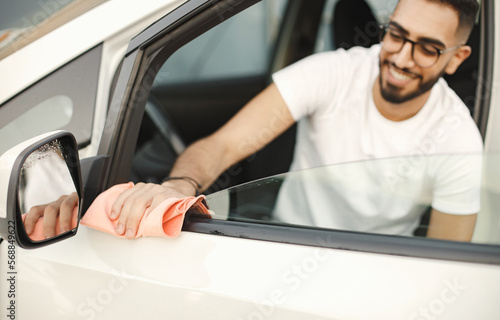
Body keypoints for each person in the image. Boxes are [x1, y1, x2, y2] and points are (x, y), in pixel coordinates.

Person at [68, 0, 483, 241]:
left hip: (375, 267)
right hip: (286, 236)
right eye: (397, 35)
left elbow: (449, 258)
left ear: (456, 59)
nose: (402, 58)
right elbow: (223, 146)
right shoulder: (336, 72)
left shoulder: (459, 140)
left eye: (428, 48)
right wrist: (179, 186)